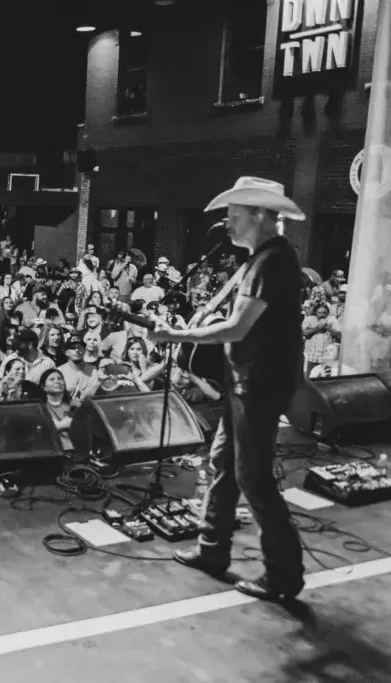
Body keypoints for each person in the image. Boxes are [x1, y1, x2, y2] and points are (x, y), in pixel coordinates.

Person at [149, 177, 305, 601]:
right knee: (223, 461)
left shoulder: (273, 261)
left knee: (253, 478)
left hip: (260, 385)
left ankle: (284, 576)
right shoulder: (261, 259)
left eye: (234, 216)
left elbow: (237, 327)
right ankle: (211, 549)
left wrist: (177, 337)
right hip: (245, 382)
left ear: (259, 214)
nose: (227, 224)